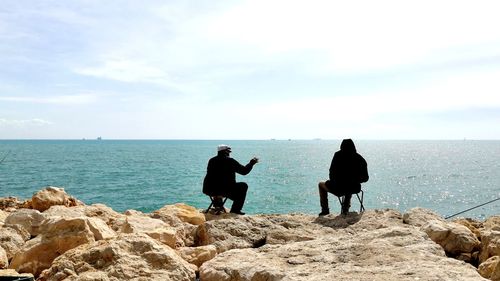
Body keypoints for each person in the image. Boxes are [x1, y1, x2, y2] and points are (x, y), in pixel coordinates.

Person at [203, 144, 259, 215]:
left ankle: (217, 204)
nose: (229, 153)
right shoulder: (230, 161)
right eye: (229, 152)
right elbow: (244, 171)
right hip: (224, 190)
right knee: (243, 186)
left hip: (208, 189)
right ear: (226, 152)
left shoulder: (211, 160)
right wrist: (251, 163)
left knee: (219, 185)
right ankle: (235, 210)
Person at [318, 139, 369, 216]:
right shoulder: (360, 159)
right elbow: (366, 178)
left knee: (320, 184)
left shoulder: (337, 155)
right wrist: (355, 180)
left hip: (338, 189)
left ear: (341, 146)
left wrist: (335, 181)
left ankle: (325, 210)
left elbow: (331, 172)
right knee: (349, 186)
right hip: (354, 188)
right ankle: (345, 209)